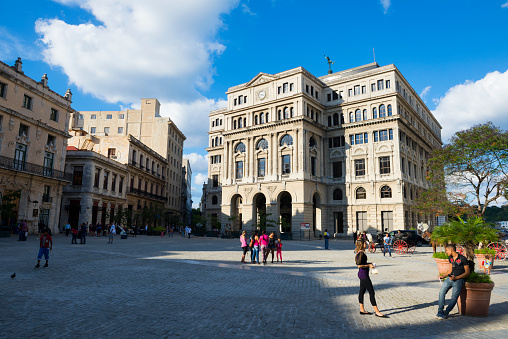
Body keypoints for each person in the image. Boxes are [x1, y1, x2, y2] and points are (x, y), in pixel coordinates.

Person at [436, 244, 471, 320]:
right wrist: (444, 275)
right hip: (450, 278)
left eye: (447, 250)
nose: (446, 252)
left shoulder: (463, 259)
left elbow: (467, 272)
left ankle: (446, 312)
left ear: (451, 250)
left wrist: (457, 277)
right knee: (441, 292)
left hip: (459, 280)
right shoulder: (450, 258)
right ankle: (440, 311)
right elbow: (450, 270)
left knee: (454, 297)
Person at [355, 239, 385, 317]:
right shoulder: (361, 253)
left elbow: (362, 263)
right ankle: (377, 311)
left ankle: (362, 310)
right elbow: (359, 265)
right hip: (364, 275)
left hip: (362, 274)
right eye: (365, 243)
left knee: (362, 292)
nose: (366, 244)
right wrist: (368, 265)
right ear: (362, 244)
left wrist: (369, 263)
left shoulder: (360, 253)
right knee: (371, 292)